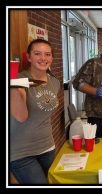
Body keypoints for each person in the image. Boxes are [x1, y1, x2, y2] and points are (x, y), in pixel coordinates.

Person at [10, 39, 61, 184]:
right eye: (37, 53)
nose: (43, 58)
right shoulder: (19, 80)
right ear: (29, 57)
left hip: (47, 146)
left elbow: (45, 113)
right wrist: (13, 86)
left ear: (51, 58)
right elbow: (21, 116)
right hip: (22, 152)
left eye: (47, 54)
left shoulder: (54, 82)